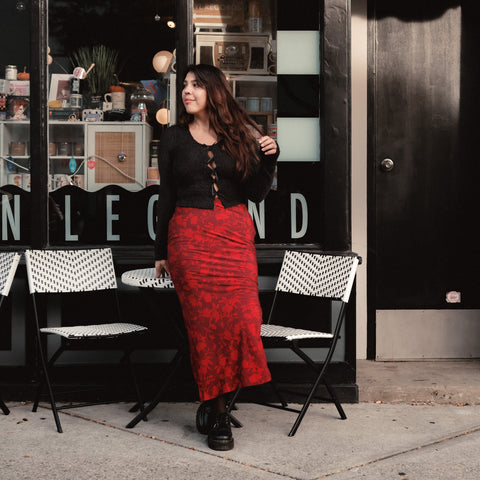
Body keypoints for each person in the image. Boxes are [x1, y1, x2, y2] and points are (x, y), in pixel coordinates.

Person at [154, 64, 279, 451]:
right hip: (189, 238)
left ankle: (215, 401)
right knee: (206, 328)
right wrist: (161, 251)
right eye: (185, 86)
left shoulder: (237, 137)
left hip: (234, 237)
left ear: (215, 91)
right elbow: (167, 196)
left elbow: (255, 193)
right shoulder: (173, 138)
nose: (186, 92)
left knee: (244, 320)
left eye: (195, 85)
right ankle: (218, 413)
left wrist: (270, 160)